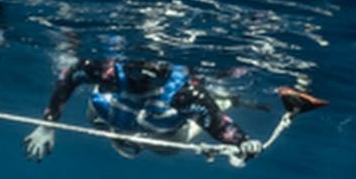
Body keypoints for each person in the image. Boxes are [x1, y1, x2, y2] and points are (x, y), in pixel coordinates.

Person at [22, 55, 262, 163]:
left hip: (163, 134)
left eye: (151, 77)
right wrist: (47, 125)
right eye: (136, 74)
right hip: (111, 119)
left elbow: (219, 126)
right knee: (94, 116)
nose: (142, 82)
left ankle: (224, 100)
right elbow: (69, 78)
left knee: (167, 147)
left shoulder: (183, 94)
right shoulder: (107, 72)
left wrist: (243, 141)